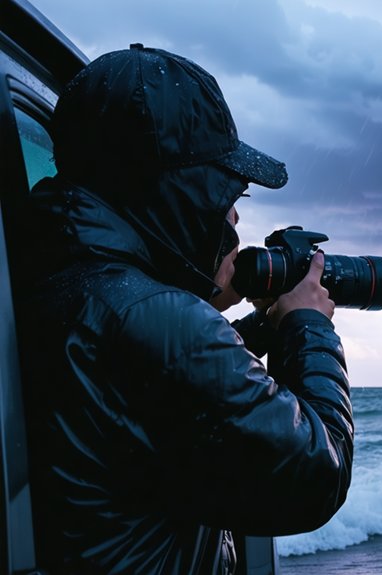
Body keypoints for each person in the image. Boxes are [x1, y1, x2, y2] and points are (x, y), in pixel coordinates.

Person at [15, 44, 353, 574]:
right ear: (176, 188)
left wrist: (249, 328)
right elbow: (316, 473)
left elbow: (153, 398)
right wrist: (308, 326)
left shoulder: (57, 273)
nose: (235, 215)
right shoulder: (154, 321)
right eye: (222, 187)